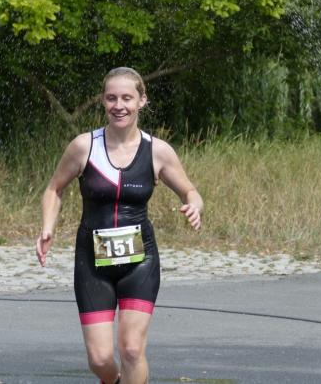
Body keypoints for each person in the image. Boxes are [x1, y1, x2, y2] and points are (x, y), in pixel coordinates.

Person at [36, 66, 203, 384]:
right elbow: (53, 189)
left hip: (140, 261)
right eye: (111, 98)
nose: (119, 105)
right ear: (103, 101)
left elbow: (190, 191)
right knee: (100, 359)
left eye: (127, 98)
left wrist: (194, 205)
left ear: (142, 101)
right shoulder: (84, 146)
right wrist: (48, 227)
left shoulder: (157, 151)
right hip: (92, 261)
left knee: (131, 349)